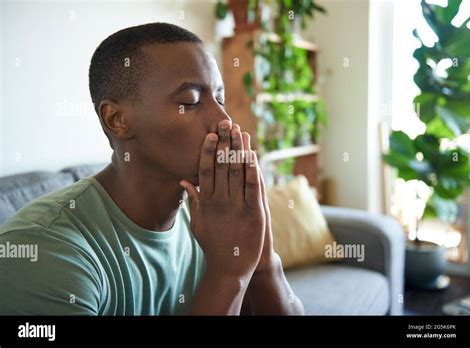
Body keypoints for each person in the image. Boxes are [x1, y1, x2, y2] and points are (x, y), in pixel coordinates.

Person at [0, 22, 303, 315]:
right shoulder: (43, 249)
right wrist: (227, 274)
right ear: (117, 120)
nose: (223, 120)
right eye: (191, 101)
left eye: (220, 98)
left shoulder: (218, 216)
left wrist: (262, 260)